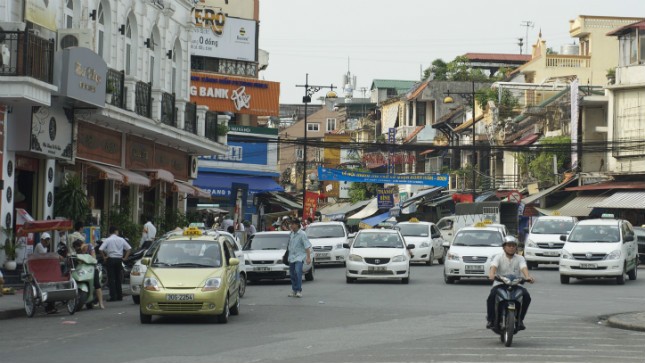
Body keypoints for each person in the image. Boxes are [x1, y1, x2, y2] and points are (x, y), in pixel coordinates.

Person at [486, 237, 534, 330]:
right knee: (491, 296)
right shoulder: (498, 257)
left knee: (526, 296)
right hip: (500, 284)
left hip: (516, 284)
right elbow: (493, 266)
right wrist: (491, 274)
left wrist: (528, 276)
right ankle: (491, 320)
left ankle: (520, 319)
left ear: (516, 248)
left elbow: (523, 267)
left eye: (513, 246)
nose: (511, 248)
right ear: (504, 247)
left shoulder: (520, 258)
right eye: (509, 245)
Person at [99, 226, 132, 302]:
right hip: (119, 260)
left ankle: (113, 296)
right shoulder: (121, 239)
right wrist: (125, 258)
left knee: (111, 278)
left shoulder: (108, 240)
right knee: (118, 278)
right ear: (116, 231)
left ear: (110, 232)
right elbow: (129, 249)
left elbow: (100, 249)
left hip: (110, 259)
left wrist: (104, 257)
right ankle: (120, 296)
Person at [72, 240, 105, 309]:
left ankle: (101, 303)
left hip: (92, 267)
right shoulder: (77, 252)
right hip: (82, 269)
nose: (78, 249)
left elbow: (93, 257)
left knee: (97, 284)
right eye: (76, 248)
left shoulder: (90, 246)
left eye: (78, 247)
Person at [287, 218, 312, 298]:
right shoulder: (291, 234)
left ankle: (298, 290)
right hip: (292, 257)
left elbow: (307, 246)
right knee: (292, 274)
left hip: (299, 256)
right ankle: (294, 290)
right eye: (291, 224)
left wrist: (308, 257)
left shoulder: (302, 234)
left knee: (298, 272)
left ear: (297, 225)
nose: (291, 226)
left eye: (293, 224)